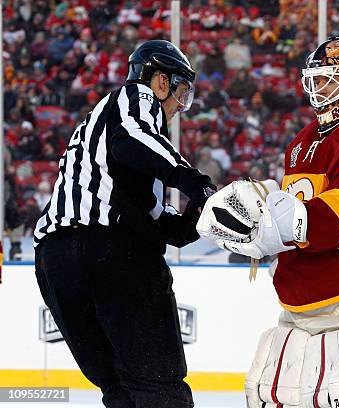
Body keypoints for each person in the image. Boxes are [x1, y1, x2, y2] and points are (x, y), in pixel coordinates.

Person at [203, 36, 339, 407]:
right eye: (315, 79)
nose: (320, 88)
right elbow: (293, 215)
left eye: (331, 78)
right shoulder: (300, 143)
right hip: (302, 299)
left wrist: (287, 224)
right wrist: (260, 231)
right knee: (281, 397)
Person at [33, 40, 216, 408]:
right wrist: (197, 182)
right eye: (182, 92)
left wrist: (202, 214)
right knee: (157, 385)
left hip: (56, 263)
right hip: (110, 252)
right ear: (161, 81)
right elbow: (130, 141)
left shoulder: (108, 148)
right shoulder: (135, 99)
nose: (182, 106)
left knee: (120, 390)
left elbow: (168, 227)